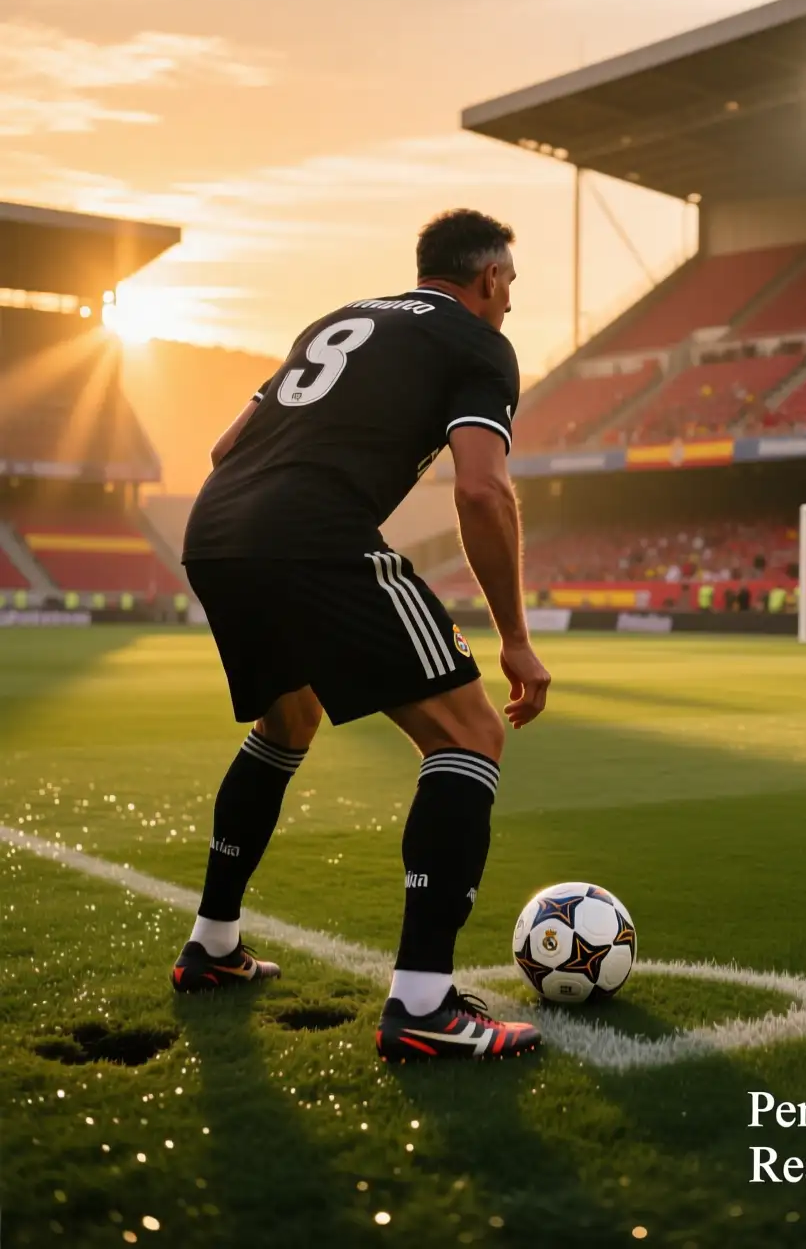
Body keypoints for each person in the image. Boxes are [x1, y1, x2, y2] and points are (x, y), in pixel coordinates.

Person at [175, 209, 550, 1062]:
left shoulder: (340, 319)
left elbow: (225, 443)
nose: (510, 307)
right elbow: (484, 493)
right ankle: (423, 1004)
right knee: (470, 731)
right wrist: (516, 640)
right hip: (312, 535)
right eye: (511, 288)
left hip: (216, 528)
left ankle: (214, 946)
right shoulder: (478, 344)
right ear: (488, 277)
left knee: (288, 721)